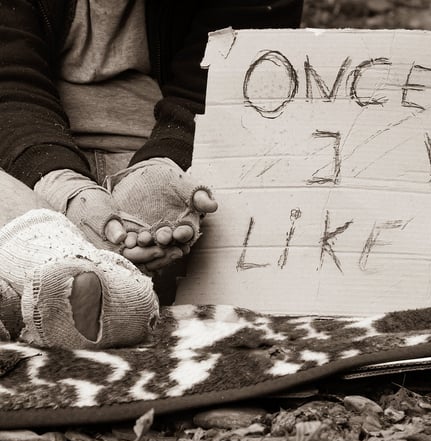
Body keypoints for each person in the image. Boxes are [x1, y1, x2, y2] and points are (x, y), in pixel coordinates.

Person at [0, 0, 304, 348]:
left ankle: (72, 285)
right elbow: (10, 85)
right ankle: (82, 281)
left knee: (219, 227)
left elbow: (226, 80)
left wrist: (161, 172)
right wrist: (63, 189)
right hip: (20, 158)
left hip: (162, 153)